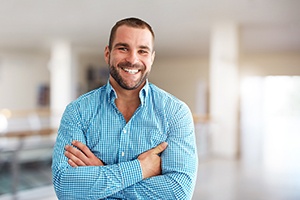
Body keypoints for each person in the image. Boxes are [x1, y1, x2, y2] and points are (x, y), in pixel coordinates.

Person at [52, 17, 198, 199]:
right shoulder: (78, 112)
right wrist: (141, 168)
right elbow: (65, 187)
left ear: (151, 58)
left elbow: (179, 192)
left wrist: (101, 175)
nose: (132, 59)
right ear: (108, 54)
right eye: (123, 48)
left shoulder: (175, 113)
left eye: (142, 51)